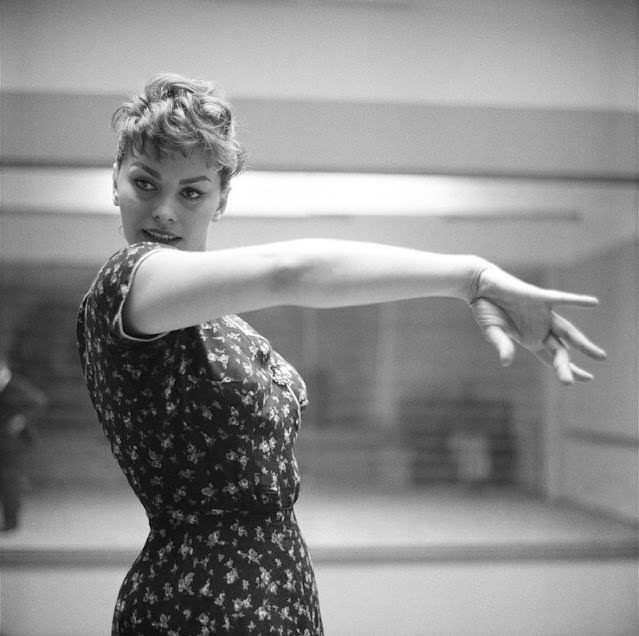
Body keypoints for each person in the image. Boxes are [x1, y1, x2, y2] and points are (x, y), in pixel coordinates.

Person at [76, 73, 606, 635]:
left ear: (220, 199)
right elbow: (290, 272)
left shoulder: (212, 318)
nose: (163, 212)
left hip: (276, 589)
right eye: (144, 183)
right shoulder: (123, 283)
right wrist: (471, 276)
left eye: (191, 192)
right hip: (203, 602)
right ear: (114, 180)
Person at [0, 357, 47, 531]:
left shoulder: (16, 385)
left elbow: (38, 401)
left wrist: (21, 420)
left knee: (9, 479)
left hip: (12, 443)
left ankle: (11, 521)